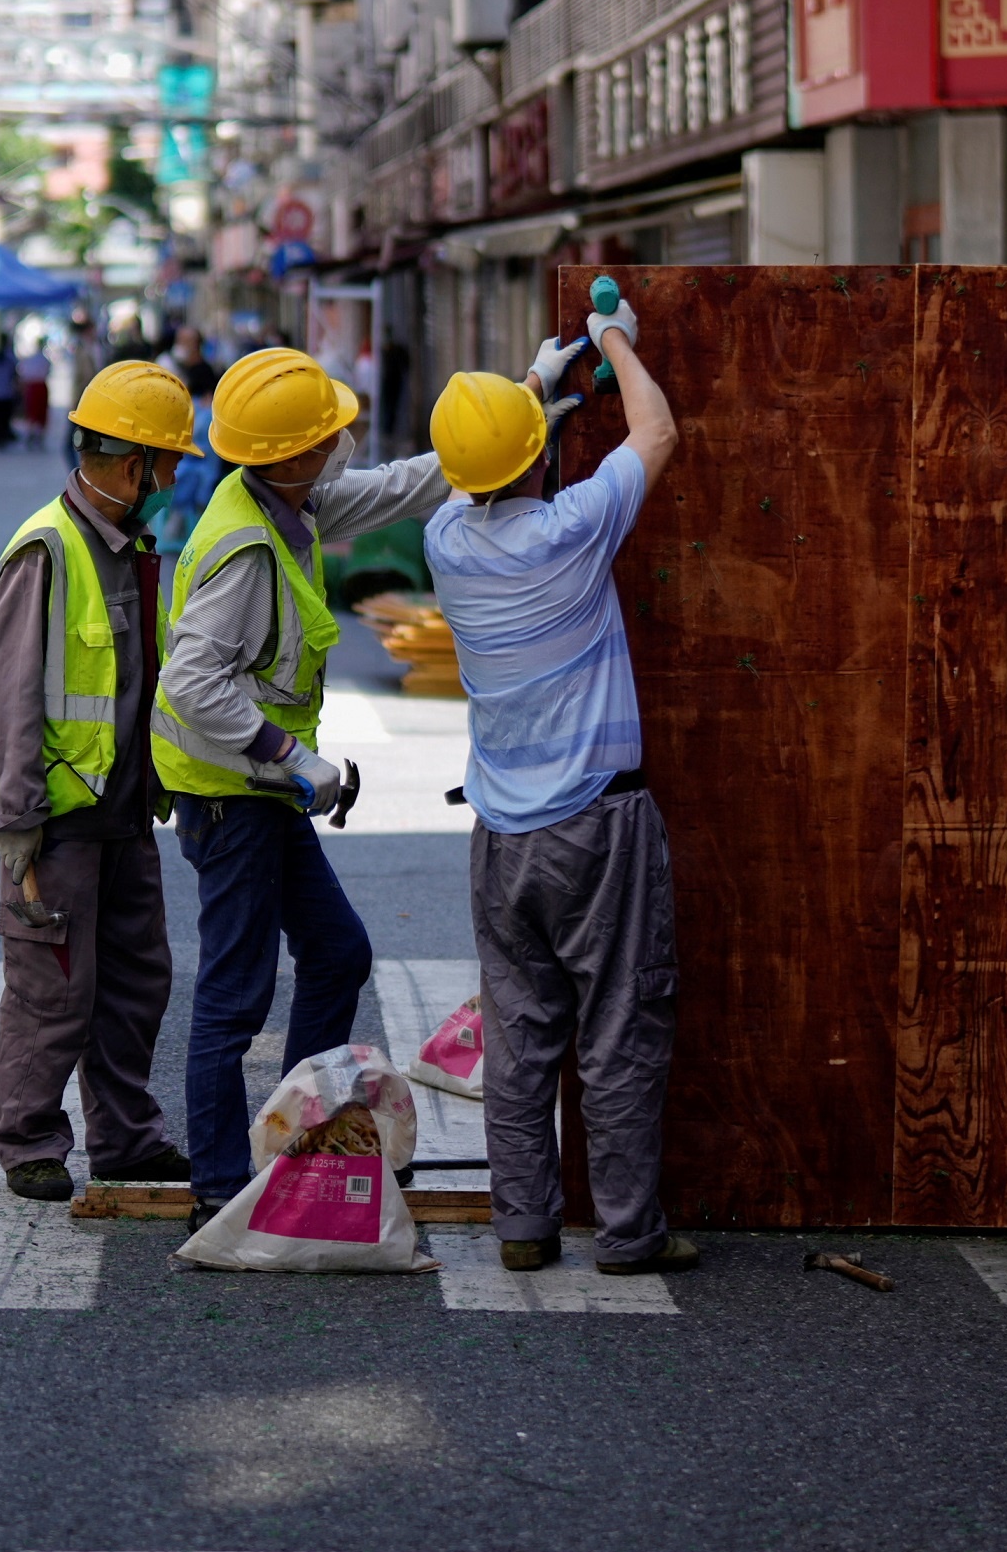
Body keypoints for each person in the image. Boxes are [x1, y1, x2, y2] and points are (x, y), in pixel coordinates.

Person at [421, 297, 693, 1277]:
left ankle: (523, 1228)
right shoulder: (575, 528)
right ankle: (626, 1232)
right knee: (616, 1026)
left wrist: (532, 384)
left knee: (521, 1033)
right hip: (595, 825)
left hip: (500, 834)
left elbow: (480, 466)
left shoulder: (444, 543)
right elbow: (658, 429)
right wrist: (612, 332)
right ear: (540, 457)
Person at [152, 347, 452, 1223]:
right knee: (236, 994)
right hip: (231, 795)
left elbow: (403, 486)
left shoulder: (294, 502)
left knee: (338, 953)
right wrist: (289, 751)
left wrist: (532, 400)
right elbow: (189, 680)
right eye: (328, 432)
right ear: (288, 456)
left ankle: (299, 1132)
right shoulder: (248, 546)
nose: (344, 439)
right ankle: (218, 1180)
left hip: (262, 791)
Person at [0, 362, 206, 1201]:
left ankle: (127, 1137)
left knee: (137, 983)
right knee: (52, 989)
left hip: (126, 812)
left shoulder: (130, 545)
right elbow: (13, 697)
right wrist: (20, 819)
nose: (177, 478)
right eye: (167, 462)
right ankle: (28, 1139)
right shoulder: (47, 548)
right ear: (129, 463)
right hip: (59, 821)